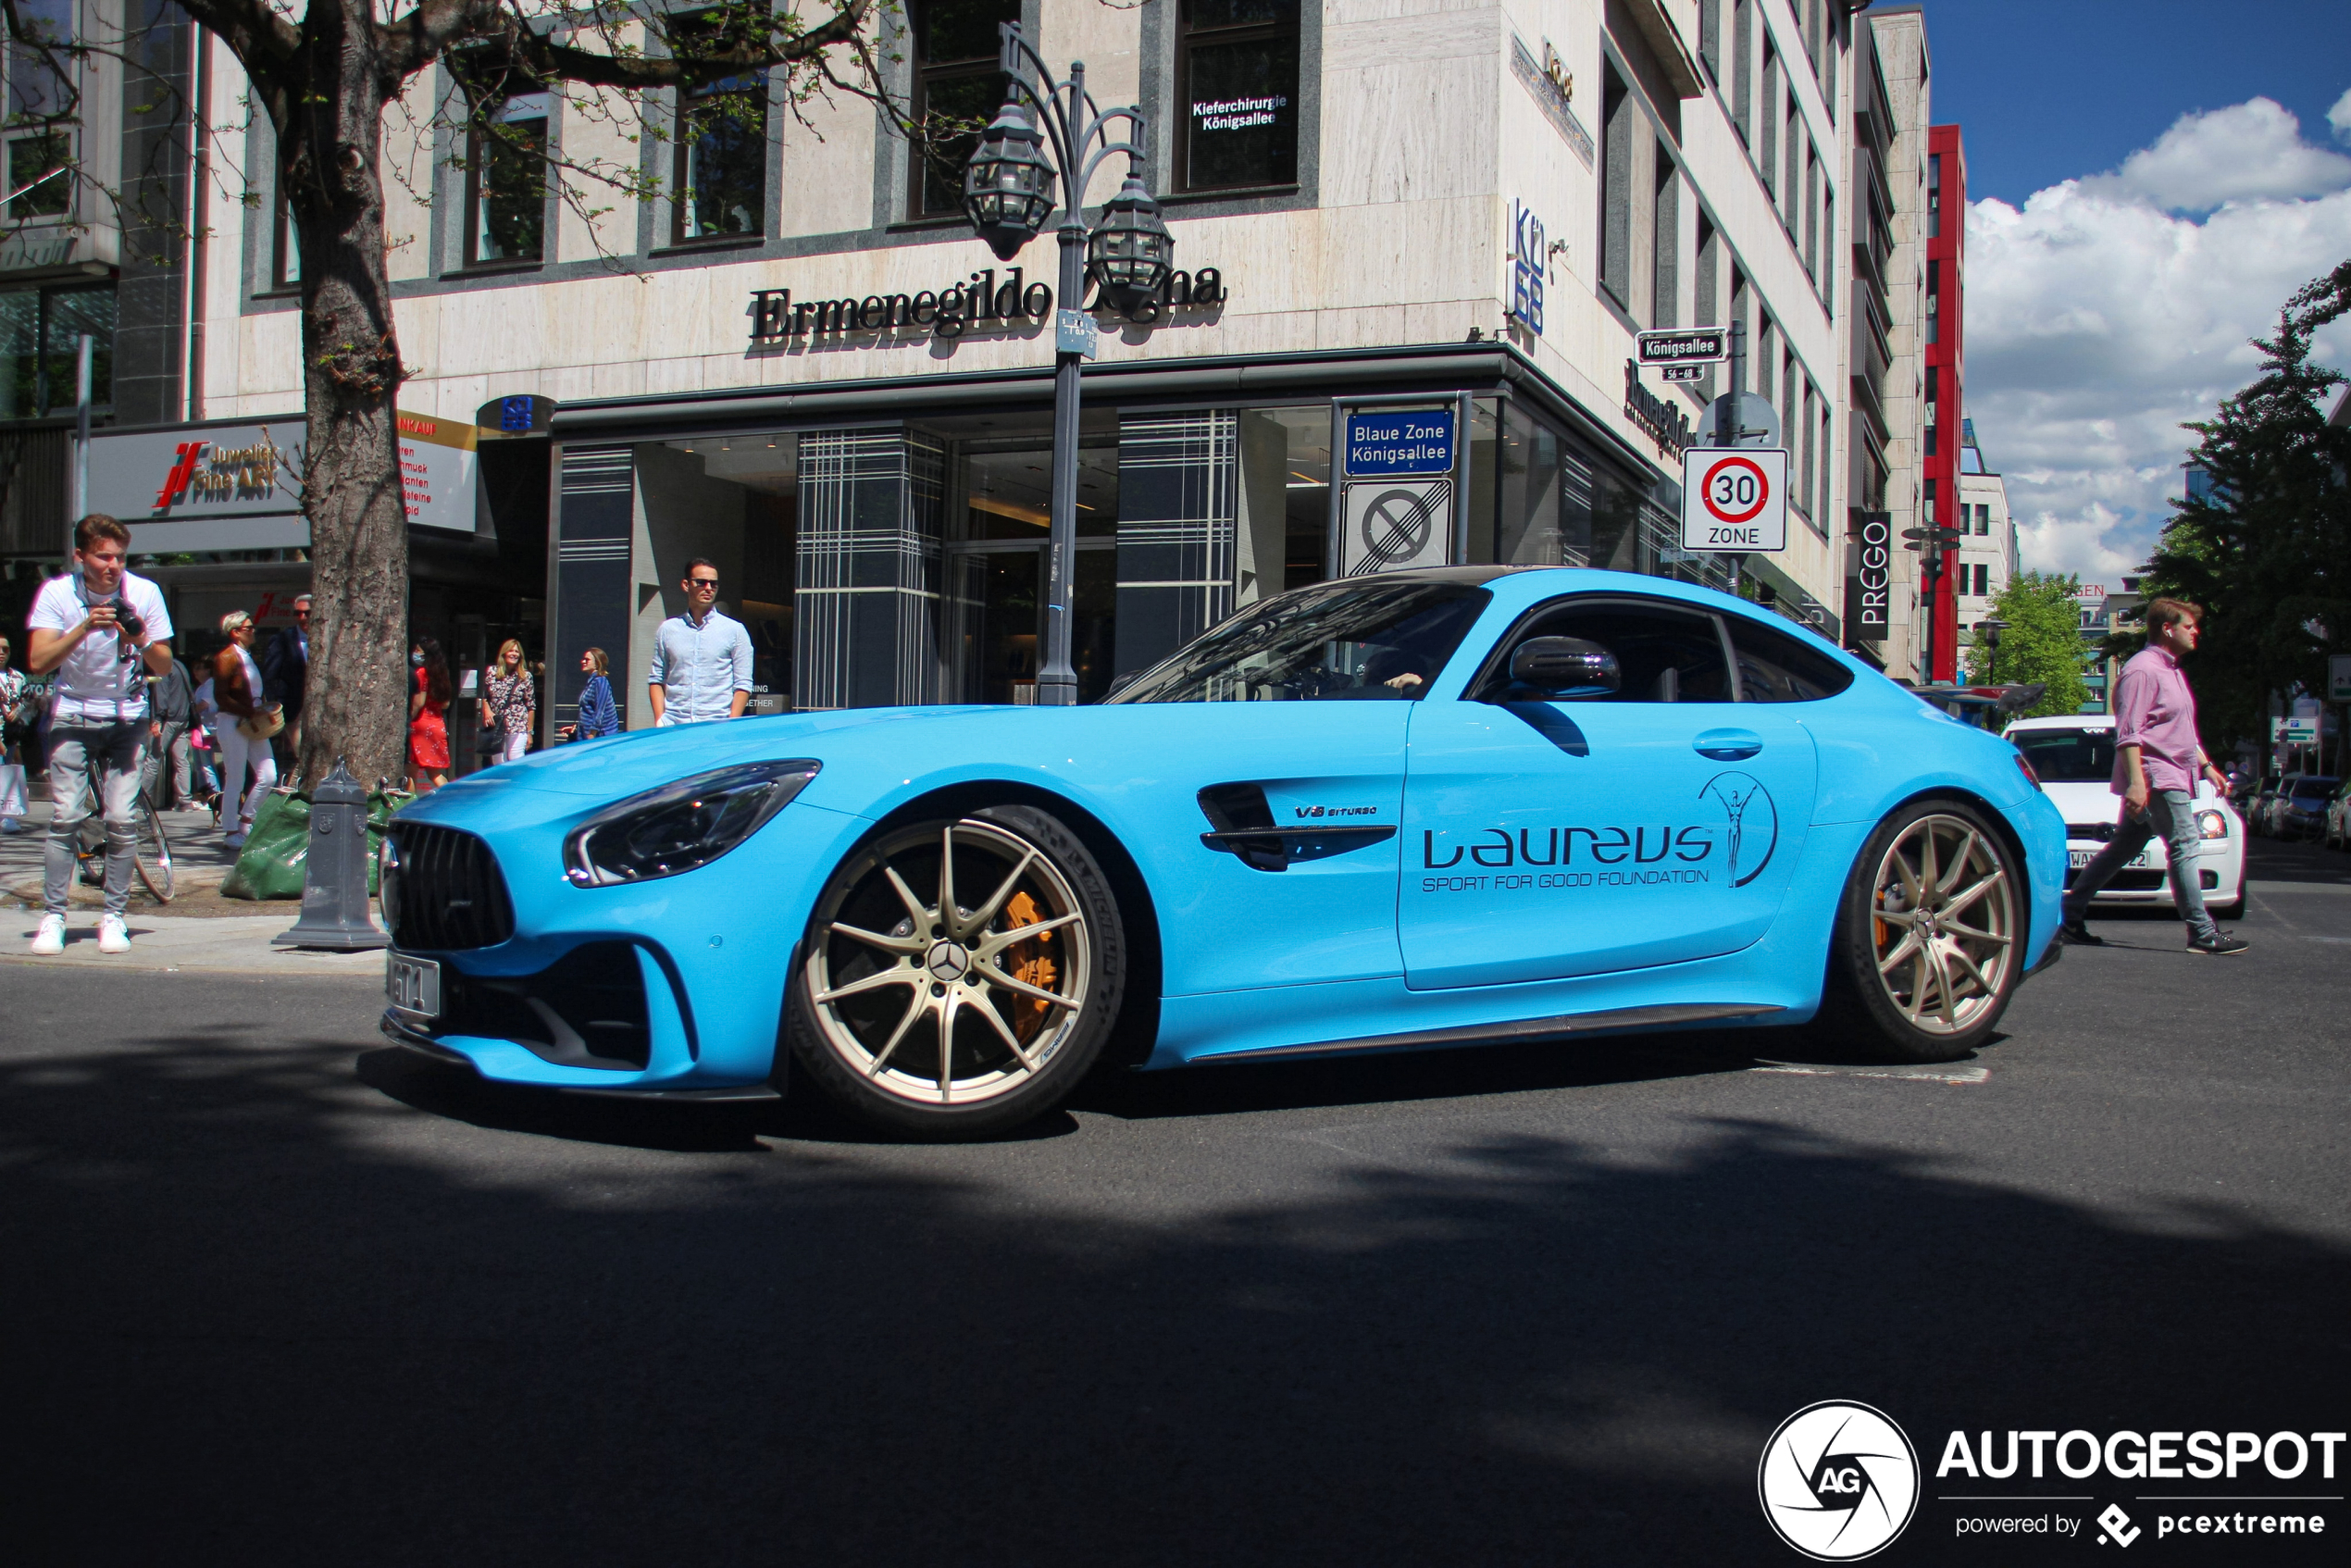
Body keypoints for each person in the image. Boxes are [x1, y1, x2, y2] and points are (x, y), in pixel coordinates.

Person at [23, 514, 178, 955]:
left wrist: (140, 638)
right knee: (66, 816)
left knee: (121, 819)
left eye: (120, 557)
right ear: (80, 556)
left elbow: (164, 665)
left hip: (127, 717)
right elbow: (38, 660)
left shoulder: (143, 592)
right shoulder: (57, 593)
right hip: (73, 714)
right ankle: (54, 916)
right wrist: (85, 626)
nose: (113, 565)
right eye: (103, 556)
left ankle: (114, 916)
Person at [2060, 596, 2247, 956]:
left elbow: (2179, 731)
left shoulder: (2171, 670)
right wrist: (2136, 782)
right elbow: (2129, 732)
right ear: (2167, 628)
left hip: (2170, 771)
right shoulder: (2142, 670)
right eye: (2189, 626)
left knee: (2123, 848)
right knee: (2185, 845)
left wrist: (2207, 767)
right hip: (2158, 775)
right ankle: (2202, 932)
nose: (2196, 632)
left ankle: (2069, 914)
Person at [647, 558, 753, 725]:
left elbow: (743, 684)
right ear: (686, 585)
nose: (708, 588)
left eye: (713, 584)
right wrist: (660, 720)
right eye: (701, 582)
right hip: (673, 726)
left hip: (716, 727)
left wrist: (731, 723)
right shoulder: (668, 629)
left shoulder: (735, 630)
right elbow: (656, 679)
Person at [208, 610, 279, 848]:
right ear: (235, 632)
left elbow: (253, 691)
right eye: (249, 628)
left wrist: (261, 710)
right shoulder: (226, 657)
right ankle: (230, 831)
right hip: (233, 721)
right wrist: (251, 712)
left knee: (269, 774)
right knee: (235, 777)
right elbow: (222, 696)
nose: (253, 631)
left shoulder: (246, 656)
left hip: (252, 721)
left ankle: (247, 819)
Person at [261, 592, 311, 771]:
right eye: (298, 613)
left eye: (307, 613)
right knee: (302, 755)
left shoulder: (332, 639)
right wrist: (275, 708)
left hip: (324, 708)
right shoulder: (282, 639)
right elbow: (270, 675)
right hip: (294, 709)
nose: (302, 618)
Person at [146, 649, 197, 810]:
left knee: (153, 758)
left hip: (169, 718)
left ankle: (142, 800)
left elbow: (162, 694)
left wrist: (157, 719)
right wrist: (146, 679)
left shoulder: (162, 668)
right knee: (181, 761)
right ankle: (185, 800)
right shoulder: (179, 666)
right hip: (182, 718)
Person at [407, 637, 453, 793]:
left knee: (410, 772)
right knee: (436, 774)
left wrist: (409, 719)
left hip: (420, 725)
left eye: (418, 651)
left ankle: (410, 808)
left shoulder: (422, 673)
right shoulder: (442, 674)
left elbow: (419, 702)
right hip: (437, 724)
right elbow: (446, 703)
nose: (415, 653)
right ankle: (452, 800)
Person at [479, 638, 536, 764]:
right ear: (504, 653)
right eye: (511, 650)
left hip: (517, 724)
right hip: (497, 724)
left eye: (517, 651)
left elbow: (531, 706)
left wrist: (529, 732)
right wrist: (487, 711)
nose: (514, 654)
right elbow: (483, 695)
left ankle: (518, 784)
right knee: (498, 762)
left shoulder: (525, 676)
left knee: (516, 760)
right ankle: (503, 784)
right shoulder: (492, 672)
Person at [560, 646, 620, 740]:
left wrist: (592, 734)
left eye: (587, 660)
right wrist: (577, 726)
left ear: (597, 663)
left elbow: (600, 711)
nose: (583, 662)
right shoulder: (592, 682)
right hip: (585, 733)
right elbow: (587, 710)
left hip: (600, 736)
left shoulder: (601, 682)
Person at [0, 632, 27, 833]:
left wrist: (19, 711)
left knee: (7, 772)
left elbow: (29, 701)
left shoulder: (17, 677)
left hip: (10, 733)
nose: (2, 653)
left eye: (6, 649)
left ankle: (7, 816)